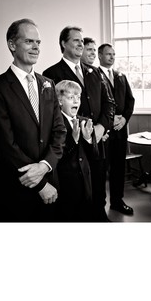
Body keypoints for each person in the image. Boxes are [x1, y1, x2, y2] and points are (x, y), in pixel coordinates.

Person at [0, 18, 67, 221]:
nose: (36, 47)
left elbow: (59, 131)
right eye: (29, 41)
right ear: (12, 45)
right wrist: (40, 185)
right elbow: (4, 145)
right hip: (16, 187)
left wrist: (46, 165)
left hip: (51, 180)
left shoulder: (48, 84)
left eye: (38, 42)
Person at [43, 26, 115, 221]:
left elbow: (109, 103)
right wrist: (80, 130)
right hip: (71, 144)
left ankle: (100, 216)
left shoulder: (95, 72)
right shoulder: (51, 73)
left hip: (97, 140)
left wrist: (102, 127)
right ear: (63, 44)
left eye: (82, 41)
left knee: (99, 182)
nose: (81, 44)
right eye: (76, 40)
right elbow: (52, 112)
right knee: (76, 189)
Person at [98, 43, 135, 215]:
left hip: (121, 131)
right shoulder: (94, 75)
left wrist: (125, 119)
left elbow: (130, 101)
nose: (112, 57)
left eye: (113, 54)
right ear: (99, 56)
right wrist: (110, 120)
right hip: (104, 132)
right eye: (108, 54)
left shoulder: (121, 76)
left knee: (118, 168)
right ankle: (99, 207)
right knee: (102, 169)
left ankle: (117, 201)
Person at [54, 80, 98, 221]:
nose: (76, 101)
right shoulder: (54, 123)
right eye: (70, 97)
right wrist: (73, 140)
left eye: (78, 97)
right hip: (64, 185)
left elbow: (95, 156)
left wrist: (88, 139)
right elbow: (56, 157)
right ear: (60, 101)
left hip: (85, 184)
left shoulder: (85, 121)